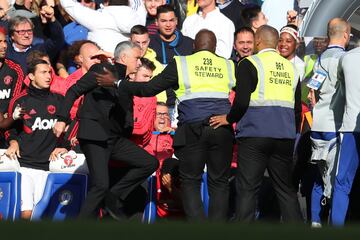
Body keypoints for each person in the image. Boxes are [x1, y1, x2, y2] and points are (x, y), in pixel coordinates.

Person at [96, 29, 236, 221]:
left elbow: (148, 89)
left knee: (190, 181)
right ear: (215, 48)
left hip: (193, 130)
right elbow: (245, 96)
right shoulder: (229, 65)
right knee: (219, 182)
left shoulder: (183, 63)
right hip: (222, 128)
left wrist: (118, 83)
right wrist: (231, 118)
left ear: (194, 47)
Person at [53, 41, 158, 220]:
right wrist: (62, 120)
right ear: (124, 58)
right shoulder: (102, 70)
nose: (139, 63)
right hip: (94, 136)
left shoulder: (124, 83)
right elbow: (73, 91)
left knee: (149, 163)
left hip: (114, 139)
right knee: (100, 185)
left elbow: (126, 116)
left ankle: (114, 196)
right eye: (137, 58)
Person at [209, 25, 303, 223]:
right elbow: (296, 109)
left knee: (248, 188)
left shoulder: (249, 63)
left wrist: (229, 119)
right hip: (284, 136)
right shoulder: (291, 68)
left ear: (258, 41)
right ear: (276, 42)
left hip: (255, 135)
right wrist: (291, 132)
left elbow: (241, 101)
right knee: (285, 189)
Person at [5, 59, 68, 219]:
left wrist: (65, 146)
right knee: (27, 213)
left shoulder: (59, 100)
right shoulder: (21, 100)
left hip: (49, 167)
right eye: (43, 72)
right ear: (31, 76)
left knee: (41, 214)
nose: (48, 76)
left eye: (49, 72)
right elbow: (9, 128)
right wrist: (13, 142)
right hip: (24, 165)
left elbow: (70, 127)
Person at [308, 18, 350, 227]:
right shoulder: (346, 59)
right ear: (345, 35)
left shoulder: (320, 58)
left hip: (318, 125)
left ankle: (315, 221)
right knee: (337, 182)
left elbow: (311, 93)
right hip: (337, 124)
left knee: (319, 177)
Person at [59, 0, 145, 53]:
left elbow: (68, 4)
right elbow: (140, 4)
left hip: (101, 72)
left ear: (107, 2)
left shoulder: (97, 18)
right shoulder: (139, 19)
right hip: (130, 73)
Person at [0, 26, 24, 148]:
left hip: (10, 123)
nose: (4, 46)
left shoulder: (15, 69)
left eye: (5, 41)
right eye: (0, 42)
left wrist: (7, 117)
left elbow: (16, 100)